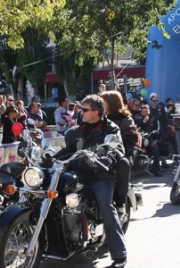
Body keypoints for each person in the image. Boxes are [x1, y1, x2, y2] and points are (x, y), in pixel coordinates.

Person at [49, 94, 127, 268]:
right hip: (79, 173)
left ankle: (120, 254)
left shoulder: (110, 129)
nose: (81, 112)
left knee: (106, 207)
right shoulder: (78, 130)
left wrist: (108, 158)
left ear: (97, 112)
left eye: (85, 110)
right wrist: (50, 158)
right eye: (81, 109)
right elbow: (68, 151)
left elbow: (117, 148)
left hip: (100, 176)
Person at [100, 91, 139, 214]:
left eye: (103, 102)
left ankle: (120, 203)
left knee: (123, 164)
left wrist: (115, 151)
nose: (100, 105)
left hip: (120, 154)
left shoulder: (126, 120)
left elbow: (130, 140)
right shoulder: (99, 118)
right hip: (99, 155)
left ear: (111, 103)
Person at [137, 104, 162, 177]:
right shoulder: (140, 120)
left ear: (149, 110)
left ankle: (157, 169)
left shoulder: (155, 119)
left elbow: (158, 130)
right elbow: (138, 129)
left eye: (147, 110)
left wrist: (156, 140)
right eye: (144, 111)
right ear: (141, 112)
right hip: (143, 140)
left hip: (152, 140)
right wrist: (143, 122)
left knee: (155, 149)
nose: (146, 112)